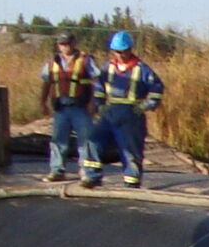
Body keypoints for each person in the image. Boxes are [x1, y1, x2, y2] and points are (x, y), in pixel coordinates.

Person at [86, 29, 165, 188]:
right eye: (117, 52)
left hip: (131, 115)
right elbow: (99, 87)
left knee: (130, 149)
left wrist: (145, 106)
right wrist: (99, 105)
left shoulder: (142, 69)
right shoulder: (108, 67)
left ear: (130, 49)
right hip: (110, 111)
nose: (120, 55)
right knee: (94, 140)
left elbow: (157, 88)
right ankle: (92, 177)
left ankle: (131, 183)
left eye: (123, 51)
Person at [38, 32, 101, 182]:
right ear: (58, 45)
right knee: (58, 140)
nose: (65, 47)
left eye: (67, 43)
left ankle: (87, 171)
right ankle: (57, 170)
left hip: (81, 107)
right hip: (61, 108)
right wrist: (42, 102)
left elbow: (96, 82)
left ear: (74, 43)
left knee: (86, 140)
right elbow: (47, 82)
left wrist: (93, 102)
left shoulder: (86, 60)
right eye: (62, 44)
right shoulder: (52, 62)